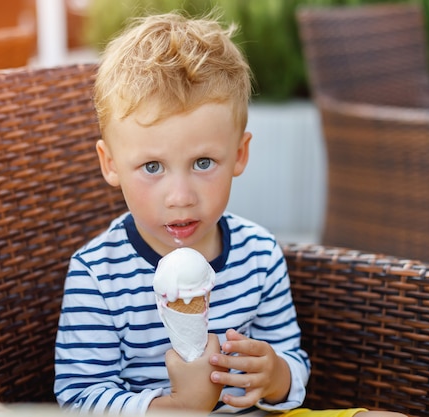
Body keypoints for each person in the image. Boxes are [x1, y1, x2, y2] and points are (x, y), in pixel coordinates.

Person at [54, 11, 408, 417]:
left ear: (239, 154)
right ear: (110, 163)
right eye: (152, 167)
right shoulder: (98, 274)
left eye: (203, 162)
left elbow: (292, 359)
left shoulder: (258, 253)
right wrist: (179, 406)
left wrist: (275, 375)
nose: (181, 196)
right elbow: (79, 399)